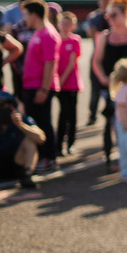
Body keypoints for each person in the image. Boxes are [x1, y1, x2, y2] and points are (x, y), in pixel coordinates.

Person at [92, 0, 127, 171]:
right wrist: (102, 78)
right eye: (107, 15)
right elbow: (96, 61)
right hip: (113, 89)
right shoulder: (105, 36)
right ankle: (118, 159)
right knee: (114, 123)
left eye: (113, 15)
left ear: (125, 14)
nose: (110, 19)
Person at [20, 0, 61, 173]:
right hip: (32, 86)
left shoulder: (48, 34)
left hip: (40, 87)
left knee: (43, 122)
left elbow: (50, 63)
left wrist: (44, 88)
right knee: (35, 121)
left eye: (26, 15)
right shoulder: (38, 32)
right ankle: (39, 156)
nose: (25, 19)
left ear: (35, 15)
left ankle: (48, 158)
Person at [0, 90, 45, 190]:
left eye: (0, 104)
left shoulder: (22, 119)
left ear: (11, 106)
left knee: (29, 140)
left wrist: (21, 126)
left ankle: (27, 174)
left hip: (17, 165)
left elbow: (41, 138)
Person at [55, 12, 82, 156]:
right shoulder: (55, 39)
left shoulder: (75, 40)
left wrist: (61, 80)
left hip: (71, 83)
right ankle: (58, 144)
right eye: (62, 23)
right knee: (63, 114)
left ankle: (70, 143)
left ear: (73, 25)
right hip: (58, 83)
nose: (65, 27)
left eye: (68, 24)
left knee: (72, 114)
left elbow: (71, 63)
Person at [84, 0, 112, 125]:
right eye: (103, 0)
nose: (105, 2)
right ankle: (92, 114)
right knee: (95, 88)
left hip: (110, 55)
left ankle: (110, 111)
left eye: (107, 0)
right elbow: (91, 33)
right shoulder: (93, 16)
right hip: (97, 53)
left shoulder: (112, 15)